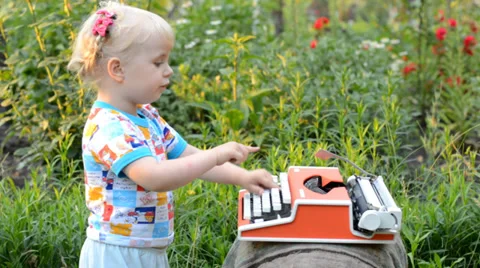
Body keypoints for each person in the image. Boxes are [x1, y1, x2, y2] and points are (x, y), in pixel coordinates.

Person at [67, 2, 278, 267]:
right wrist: (215, 155)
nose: (169, 71)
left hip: (148, 252)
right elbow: (154, 177)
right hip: (116, 254)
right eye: (158, 63)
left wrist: (243, 177)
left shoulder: (147, 116)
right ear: (117, 69)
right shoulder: (109, 127)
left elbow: (191, 158)